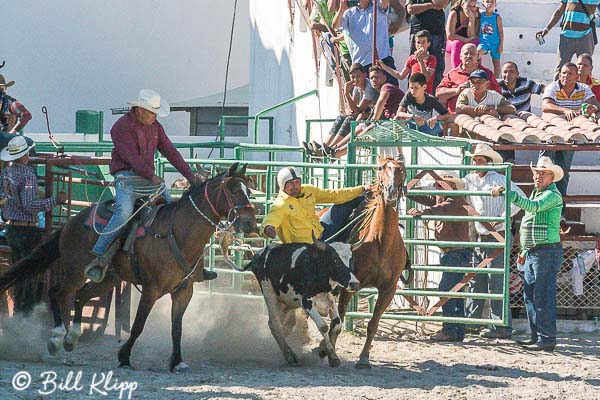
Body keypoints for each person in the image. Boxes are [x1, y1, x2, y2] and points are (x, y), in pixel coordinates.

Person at [84, 89, 207, 283]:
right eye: (151, 111)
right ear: (139, 109)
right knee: (123, 212)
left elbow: (170, 151)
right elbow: (130, 157)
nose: (154, 116)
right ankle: (98, 254)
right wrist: (151, 176)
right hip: (126, 178)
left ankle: (190, 265)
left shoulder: (155, 127)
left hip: (147, 180)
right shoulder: (121, 127)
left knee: (174, 211)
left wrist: (189, 175)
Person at [491, 157, 564, 352]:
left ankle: (546, 338)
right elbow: (531, 219)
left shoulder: (551, 196)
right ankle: (538, 336)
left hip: (545, 251)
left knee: (541, 295)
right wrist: (524, 250)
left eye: (542, 173)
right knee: (531, 295)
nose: (538, 176)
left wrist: (509, 193)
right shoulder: (539, 193)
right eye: (537, 173)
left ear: (551, 177)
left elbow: (532, 208)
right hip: (536, 251)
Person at [463, 143, 525, 338]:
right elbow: (456, 185)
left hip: (497, 233)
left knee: (496, 280)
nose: (476, 162)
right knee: (477, 279)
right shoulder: (469, 179)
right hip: (480, 234)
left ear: (488, 162)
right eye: (475, 159)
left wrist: (502, 217)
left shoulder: (500, 179)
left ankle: (500, 326)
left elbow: (520, 199)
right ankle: (473, 322)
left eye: (480, 160)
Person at [0, 136, 67, 314]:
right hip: (27, 230)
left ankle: (19, 317)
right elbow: (29, 205)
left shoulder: (7, 173)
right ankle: (27, 316)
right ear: (25, 154)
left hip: (12, 229)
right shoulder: (28, 174)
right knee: (31, 275)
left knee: (18, 272)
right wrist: (54, 201)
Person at [408, 171, 471, 342]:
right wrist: (409, 190)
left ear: (451, 186)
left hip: (455, 252)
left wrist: (422, 212)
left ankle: (450, 330)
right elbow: (429, 200)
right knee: (454, 292)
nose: (436, 188)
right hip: (453, 252)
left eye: (439, 185)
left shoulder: (454, 201)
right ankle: (457, 330)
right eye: (436, 185)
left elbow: (440, 208)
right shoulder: (444, 199)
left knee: (446, 290)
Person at [260, 167, 367, 243]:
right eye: (290, 183)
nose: (295, 186)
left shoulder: (308, 190)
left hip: (322, 231)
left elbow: (334, 195)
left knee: (348, 201)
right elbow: (270, 220)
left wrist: (362, 189)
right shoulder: (280, 205)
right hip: (308, 247)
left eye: (297, 182)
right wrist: (268, 229)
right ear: (283, 186)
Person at [541, 62, 600, 196]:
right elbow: (545, 106)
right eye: (563, 73)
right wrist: (566, 111)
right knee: (544, 169)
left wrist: (593, 108)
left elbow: (594, 102)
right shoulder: (553, 86)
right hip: (551, 132)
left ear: (577, 77)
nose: (565, 76)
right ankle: (542, 205)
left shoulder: (583, 88)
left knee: (563, 172)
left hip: (571, 134)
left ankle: (560, 210)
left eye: (570, 73)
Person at [331, 66, 404, 157]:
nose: (373, 80)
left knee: (363, 134)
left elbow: (381, 102)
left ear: (384, 78)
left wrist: (374, 121)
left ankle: (335, 153)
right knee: (361, 128)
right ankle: (334, 149)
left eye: (377, 77)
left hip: (395, 124)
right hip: (388, 123)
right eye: (371, 78)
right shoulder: (379, 89)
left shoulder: (386, 87)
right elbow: (353, 109)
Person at [303, 63, 371, 156]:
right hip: (363, 116)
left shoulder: (369, 88)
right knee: (341, 117)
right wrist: (351, 108)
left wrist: (346, 93)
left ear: (365, 75)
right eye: (353, 77)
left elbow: (357, 110)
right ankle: (326, 146)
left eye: (358, 76)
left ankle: (330, 149)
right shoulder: (357, 87)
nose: (355, 80)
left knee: (349, 119)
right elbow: (352, 108)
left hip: (370, 118)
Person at [334, 0, 399, 85]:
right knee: (369, 96)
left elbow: (385, 2)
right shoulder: (348, 13)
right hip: (362, 64)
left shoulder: (378, 6)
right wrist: (342, 8)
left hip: (383, 60)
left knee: (392, 92)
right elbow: (336, 26)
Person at [537, 0, 600, 80]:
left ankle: (586, 91)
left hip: (585, 36)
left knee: (585, 69)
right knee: (561, 68)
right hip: (566, 36)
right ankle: (556, 91)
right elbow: (559, 11)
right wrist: (547, 29)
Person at [437, 44, 501, 114]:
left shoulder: (488, 74)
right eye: (466, 54)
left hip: (483, 115)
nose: (469, 56)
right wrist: (456, 90)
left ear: (477, 57)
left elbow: (498, 96)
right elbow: (439, 94)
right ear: (460, 56)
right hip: (456, 117)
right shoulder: (452, 74)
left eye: (472, 54)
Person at [406, 0, 448, 92]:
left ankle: (434, 99)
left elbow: (440, 4)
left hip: (436, 34)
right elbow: (410, 9)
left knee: (436, 69)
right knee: (414, 65)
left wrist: (423, 7)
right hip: (417, 33)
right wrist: (430, 5)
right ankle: (413, 97)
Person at [377, 30, 437, 94]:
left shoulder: (431, 59)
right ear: (415, 44)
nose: (421, 45)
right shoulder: (412, 58)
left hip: (425, 95)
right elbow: (400, 76)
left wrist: (421, 61)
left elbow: (426, 78)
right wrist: (384, 67)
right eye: (418, 42)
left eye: (423, 42)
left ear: (428, 44)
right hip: (412, 94)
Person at [395, 72, 452, 136]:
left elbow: (447, 115)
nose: (413, 91)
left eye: (416, 88)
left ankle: (443, 141)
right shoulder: (409, 95)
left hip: (426, 127)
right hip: (411, 125)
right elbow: (399, 112)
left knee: (444, 123)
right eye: (411, 88)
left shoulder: (430, 99)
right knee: (397, 118)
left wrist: (436, 118)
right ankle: (399, 144)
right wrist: (412, 116)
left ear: (424, 87)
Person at [445, 0, 480, 69]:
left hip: (467, 41)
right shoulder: (454, 13)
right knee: (457, 44)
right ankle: (457, 69)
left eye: (473, 6)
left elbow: (471, 36)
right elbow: (450, 35)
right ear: (462, 4)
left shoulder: (476, 14)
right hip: (452, 42)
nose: (471, 9)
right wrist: (466, 40)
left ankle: (475, 69)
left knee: (475, 43)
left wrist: (471, 19)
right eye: (469, 6)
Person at [477, 0, 504, 77]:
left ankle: (495, 80)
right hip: (484, 43)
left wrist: (501, 45)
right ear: (483, 3)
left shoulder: (497, 17)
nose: (489, 3)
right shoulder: (481, 15)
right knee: (477, 54)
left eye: (492, 2)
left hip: (495, 43)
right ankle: (477, 75)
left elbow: (501, 32)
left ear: (495, 4)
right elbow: (476, 8)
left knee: (496, 63)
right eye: (487, 1)